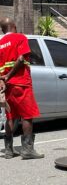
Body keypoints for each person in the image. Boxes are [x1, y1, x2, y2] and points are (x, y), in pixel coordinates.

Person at [0, 17, 44, 159]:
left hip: (7, 87)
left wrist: (3, 79)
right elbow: (20, 59)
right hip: (21, 83)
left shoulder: (0, 43)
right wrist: (10, 76)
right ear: (13, 26)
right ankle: (27, 150)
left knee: (11, 117)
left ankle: (8, 150)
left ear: (2, 29)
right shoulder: (20, 38)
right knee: (27, 116)